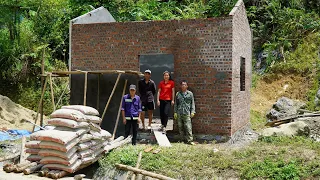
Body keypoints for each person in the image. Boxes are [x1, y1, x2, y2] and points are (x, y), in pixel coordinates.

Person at [174, 80, 196, 145]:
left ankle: (190, 140)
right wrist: (175, 112)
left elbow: (192, 103)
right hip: (179, 112)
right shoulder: (178, 94)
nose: (183, 86)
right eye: (182, 84)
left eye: (184, 84)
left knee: (188, 127)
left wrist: (192, 112)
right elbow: (176, 104)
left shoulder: (190, 94)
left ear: (187, 86)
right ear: (180, 86)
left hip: (187, 113)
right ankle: (182, 139)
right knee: (180, 127)